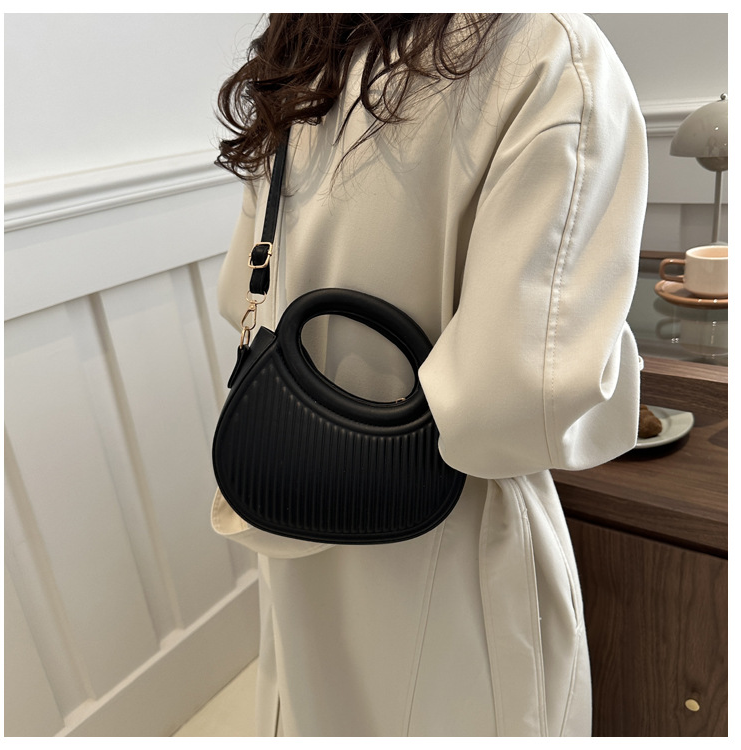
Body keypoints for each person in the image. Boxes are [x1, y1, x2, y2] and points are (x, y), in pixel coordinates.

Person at [210, 13, 647, 737]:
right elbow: (517, 402)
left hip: (295, 510)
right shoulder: (546, 49)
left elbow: (241, 296)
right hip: (453, 547)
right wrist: (609, 356)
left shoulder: (306, 57)